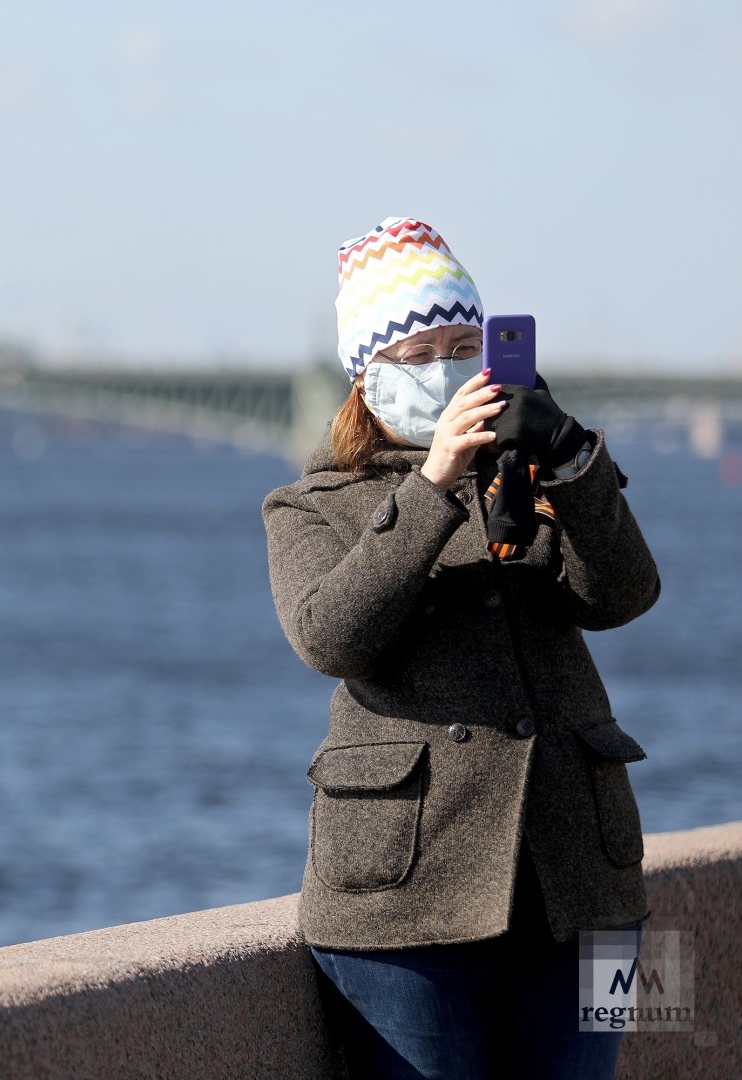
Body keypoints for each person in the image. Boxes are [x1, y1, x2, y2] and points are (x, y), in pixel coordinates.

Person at [261, 217, 661, 1079]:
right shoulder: (312, 504)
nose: (446, 365)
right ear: (367, 381)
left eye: (464, 342)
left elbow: (627, 596)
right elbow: (330, 637)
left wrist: (574, 460)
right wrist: (436, 485)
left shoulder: (541, 475)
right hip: (403, 906)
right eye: (418, 353)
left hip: (590, 886)